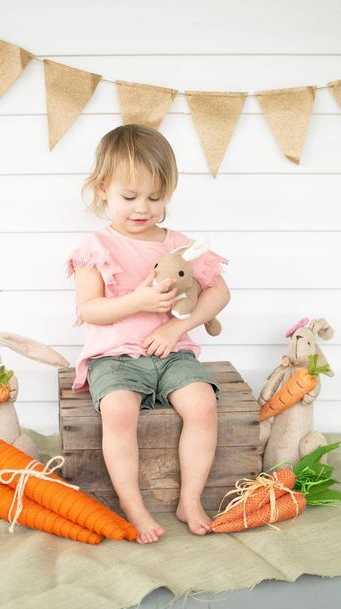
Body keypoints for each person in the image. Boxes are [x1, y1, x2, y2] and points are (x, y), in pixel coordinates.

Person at [65, 124, 231, 544]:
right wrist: (136, 302)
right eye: (130, 196)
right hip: (115, 356)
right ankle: (132, 503)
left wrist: (179, 325)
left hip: (172, 353)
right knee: (118, 412)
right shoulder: (95, 248)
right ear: (103, 189)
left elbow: (219, 292)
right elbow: (90, 309)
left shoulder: (179, 246)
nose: (142, 208)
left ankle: (189, 499)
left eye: (155, 198)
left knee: (202, 403)